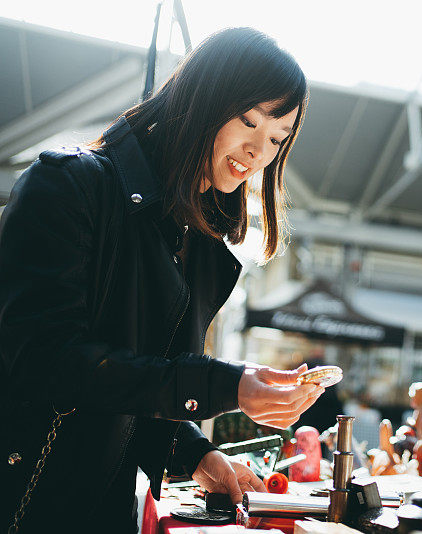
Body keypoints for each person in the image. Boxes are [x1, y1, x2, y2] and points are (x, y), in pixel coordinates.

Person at [0, 27, 324, 533]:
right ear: (203, 97)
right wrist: (223, 384)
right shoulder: (66, 186)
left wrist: (194, 451)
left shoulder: (197, 241)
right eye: (249, 120)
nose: (259, 150)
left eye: (276, 139)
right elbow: (47, 361)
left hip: (107, 513)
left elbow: (137, 379)